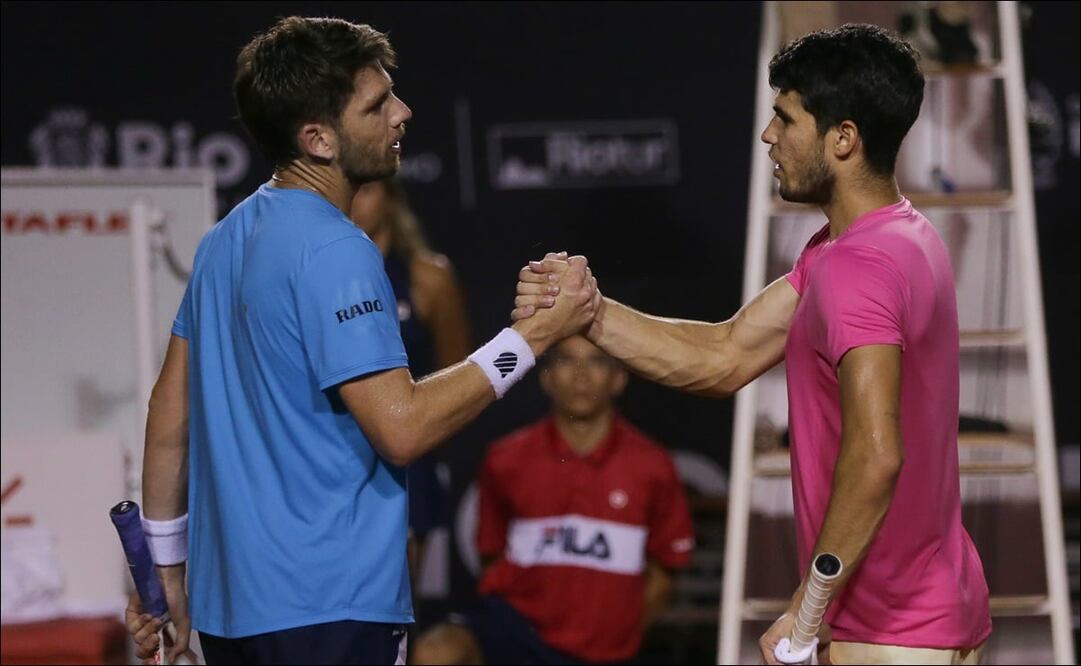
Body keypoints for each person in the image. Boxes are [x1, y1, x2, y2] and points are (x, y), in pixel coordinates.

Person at [126, 16, 596, 665]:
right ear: (317, 137)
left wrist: (166, 572)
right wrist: (533, 336)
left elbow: (167, 419)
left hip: (232, 613)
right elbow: (400, 428)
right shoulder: (337, 248)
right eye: (376, 105)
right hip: (331, 608)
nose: (401, 113)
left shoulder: (223, 240)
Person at [515, 24, 990, 666]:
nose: (769, 136)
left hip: (890, 633)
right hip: (932, 615)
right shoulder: (886, 240)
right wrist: (589, 313)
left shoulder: (859, 269)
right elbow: (725, 355)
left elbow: (878, 456)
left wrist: (807, 608)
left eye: (785, 118)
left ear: (843, 138)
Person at [411, 335, 695, 665]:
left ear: (619, 379)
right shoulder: (506, 459)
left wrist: (615, 633)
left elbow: (665, 574)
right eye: (567, 361)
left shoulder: (652, 465)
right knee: (435, 653)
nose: (581, 375)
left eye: (597, 361)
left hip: (604, 650)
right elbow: (492, 555)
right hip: (517, 633)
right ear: (546, 378)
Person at [350, 178, 470, 594]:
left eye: (366, 189)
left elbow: (460, 375)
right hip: (335, 453)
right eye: (348, 189)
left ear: (391, 198)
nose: (354, 201)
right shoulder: (315, 275)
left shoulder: (428, 278)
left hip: (406, 458)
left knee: (394, 602)